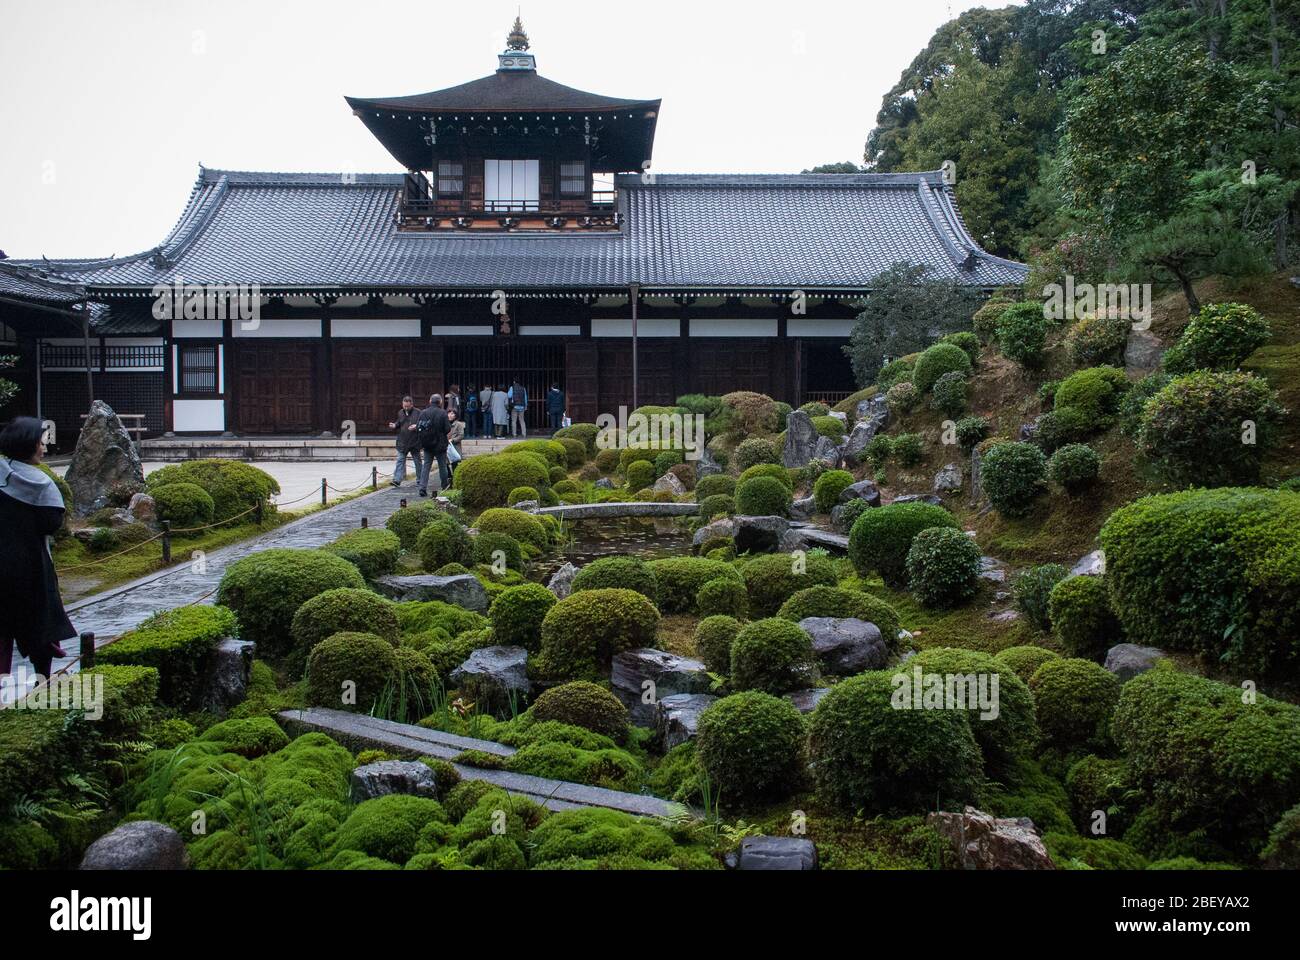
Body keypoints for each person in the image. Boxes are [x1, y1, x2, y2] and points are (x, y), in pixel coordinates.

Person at [0, 417, 73, 685]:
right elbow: (51, 524)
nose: (44, 448)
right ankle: (43, 679)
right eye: (41, 443)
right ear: (29, 446)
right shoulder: (41, 484)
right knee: (39, 623)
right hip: (31, 565)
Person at [415, 393, 452, 496]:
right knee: (442, 466)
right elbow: (447, 429)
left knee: (426, 466)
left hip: (427, 444)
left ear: (430, 401)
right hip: (440, 444)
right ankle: (445, 485)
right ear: (440, 402)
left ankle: (422, 487)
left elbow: (419, 427)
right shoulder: (443, 413)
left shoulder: (423, 413)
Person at [388, 395, 422, 487]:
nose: (406, 408)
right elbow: (399, 422)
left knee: (417, 461)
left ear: (412, 405)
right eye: (404, 406)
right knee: (400, 460)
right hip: (403, 441)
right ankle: (397, 480)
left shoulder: (418, 412)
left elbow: (423, 423)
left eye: (408, 406)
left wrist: (416, 426)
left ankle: (420, 479)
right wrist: (394, 425)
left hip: (414, 441)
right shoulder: (400, 412)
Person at [447, 408, 465, 475]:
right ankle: (449, 479)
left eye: (452, 413)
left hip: (455, 447)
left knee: (455, 465)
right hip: (446, 447)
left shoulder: (458, 424)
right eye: (449, 413)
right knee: (445, 464)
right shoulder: (445, 423)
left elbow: (461, 435)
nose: (450, 415)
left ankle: (454, 479)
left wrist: (453, 440)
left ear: (455, 415)